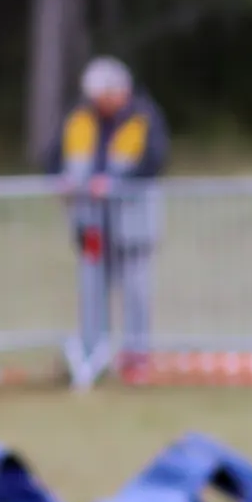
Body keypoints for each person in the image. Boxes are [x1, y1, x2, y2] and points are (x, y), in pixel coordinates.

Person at [48, 57, 169, 370]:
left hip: (134, 224)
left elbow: (155, 159)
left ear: (120, 92)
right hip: (90, 224)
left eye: (105, 97)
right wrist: (61, 178)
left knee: (136, 289)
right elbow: (52, 155)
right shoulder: (79, 117)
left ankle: (136, 355)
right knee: (91, 287)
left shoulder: (145, 116)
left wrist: (116, 184)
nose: (100, 104)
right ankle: (92, 353)